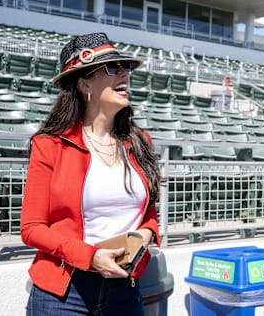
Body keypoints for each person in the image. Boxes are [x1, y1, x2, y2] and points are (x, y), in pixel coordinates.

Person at [21, 33, 161, 315]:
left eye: (126, 68)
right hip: (64, 290)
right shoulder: (49, 145)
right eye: (112, 68)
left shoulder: (140, 141)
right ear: (84, 83)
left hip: (125, 286)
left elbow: (149, 214)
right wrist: (90, 257)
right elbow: (31, 229)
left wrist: (146, 235)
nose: (124, 74)